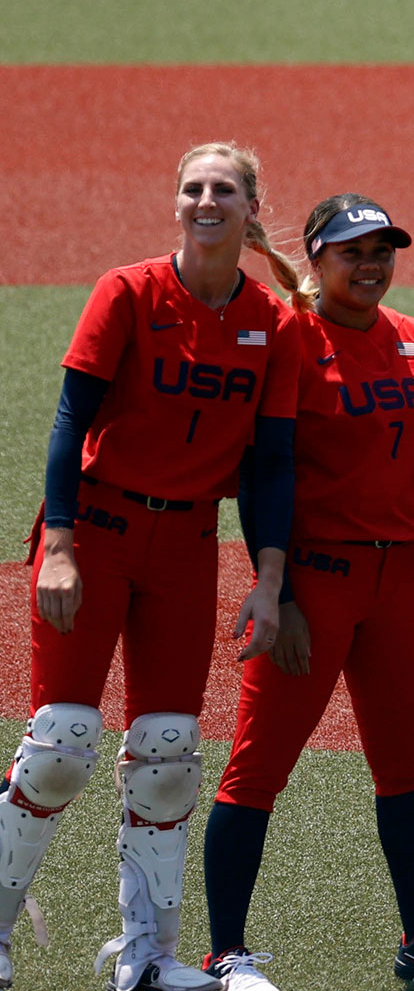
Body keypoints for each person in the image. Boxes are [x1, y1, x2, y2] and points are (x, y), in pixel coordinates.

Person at [9, 142, 299, 991]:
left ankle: (148, 958)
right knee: (59, 746)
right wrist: (58, 547)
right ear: (176, 203)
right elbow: (70, 423)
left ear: (251, 209)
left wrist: (271, 581)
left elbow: (272, 465)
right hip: (95, 531)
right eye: (193, 188)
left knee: (168, 758)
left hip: (186, 545)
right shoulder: (127, 291)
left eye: (225, 190)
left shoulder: (273, 324)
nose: (206, 200)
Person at [198, 196, 414, 990]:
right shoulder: (292, 339)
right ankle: (226, 954)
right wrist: (275, 591)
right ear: (317, 262)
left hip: (402, 583)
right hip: (313, 583)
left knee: (408, 767)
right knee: (257, 769)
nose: (371, 266)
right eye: (353, 253)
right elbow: (266, 472)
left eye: (383, 250)